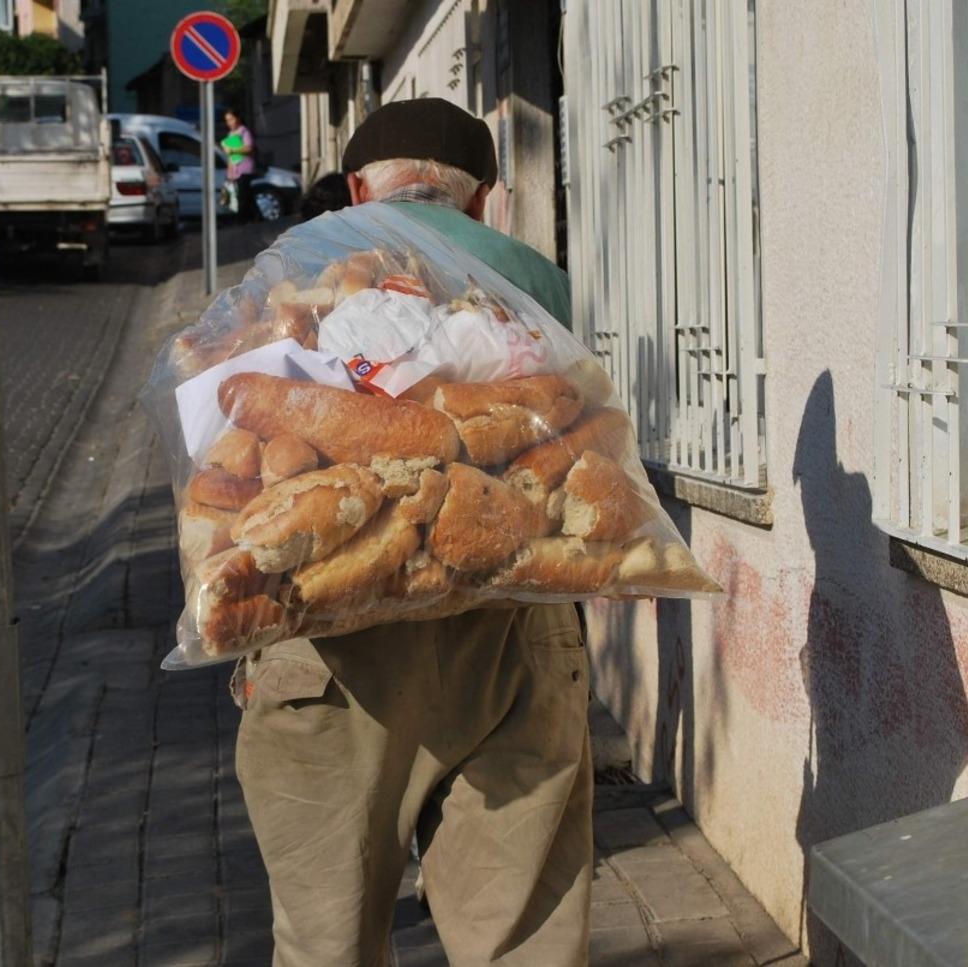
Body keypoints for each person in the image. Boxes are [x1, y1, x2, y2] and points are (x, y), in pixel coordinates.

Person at [234, 98, 591, 967]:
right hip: (511, 626)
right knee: (524, 942)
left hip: (329, 644)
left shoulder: (288, 273)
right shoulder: (534, 279)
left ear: (358, 191)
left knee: (325, 946)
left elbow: (236, 461)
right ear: (482, 199)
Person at [221, 108, 257, 224]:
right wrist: (229, 171)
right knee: (246, 194)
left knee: (242, 194)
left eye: (231, 119)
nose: (229, 123)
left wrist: (232, 150)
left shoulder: (244, 131)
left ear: (238, 118)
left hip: (245, 167)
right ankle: (256, 217)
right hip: (235, 169)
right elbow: (230, 156)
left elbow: (249, 147)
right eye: (227, 120)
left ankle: (241, 220)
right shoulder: (230, 134)